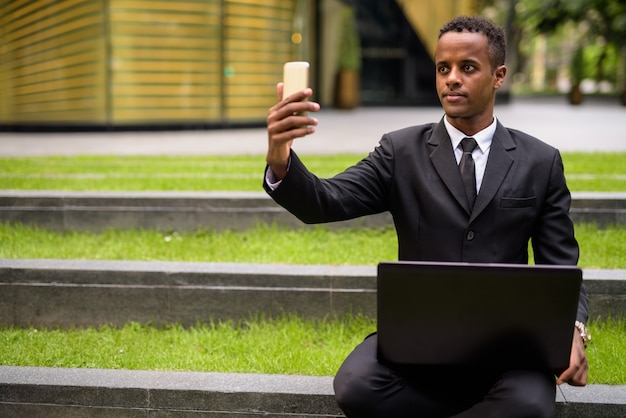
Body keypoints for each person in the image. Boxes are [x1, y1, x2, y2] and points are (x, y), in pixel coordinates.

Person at [264, 15, 589, 418]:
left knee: (530, 406)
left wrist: (573, 330)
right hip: (419, 344)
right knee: (356, 385)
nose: (451, 78)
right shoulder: (400, 151)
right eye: (442, 68)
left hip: (510, 348)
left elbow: (561, 266)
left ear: (499, 75)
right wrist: (280, 158)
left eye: (467, 67)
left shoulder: (541, 161)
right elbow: (325, 201)